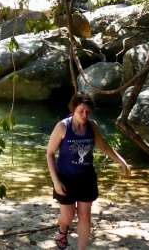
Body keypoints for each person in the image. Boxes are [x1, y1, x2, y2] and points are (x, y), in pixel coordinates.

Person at [46, 92, 131, 249]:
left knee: (85, 216)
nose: (85, 115)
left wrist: (122, 162)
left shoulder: (92, 126)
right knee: (68, 216)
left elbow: (103, 146)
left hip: (86, 178)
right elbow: (50, 154)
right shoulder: (63, 127)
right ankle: (63, 228)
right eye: (81, 111)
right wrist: (55, 181)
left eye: (88, 112)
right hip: (65, 178)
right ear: (73, 109)